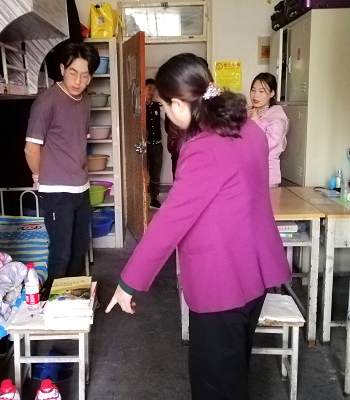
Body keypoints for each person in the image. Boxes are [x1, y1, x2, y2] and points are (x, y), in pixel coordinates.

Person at [105, 53, 290, 399]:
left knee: (215, 384)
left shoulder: (204, 147)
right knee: (234, 372)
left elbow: (171, 220)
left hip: (223, 282)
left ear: (178, 104)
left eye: (164, 106)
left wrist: (129, 282)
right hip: (255, 273)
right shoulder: (248, 128)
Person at [24, 42, 100, 293]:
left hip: (81, 187)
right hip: (56, 190)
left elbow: (78, 140)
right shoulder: (47, 102)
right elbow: (31, 148)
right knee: (61, 253)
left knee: (79, 248)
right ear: (62, 69)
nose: (78, 81)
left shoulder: (86, 100)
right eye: (72, 72)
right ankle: (50, 304)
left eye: (85, 75)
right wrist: (39, 176)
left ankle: (72, 301)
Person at [248, 72, 289, 187]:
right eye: (253, 90)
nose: (255, 95)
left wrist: (255, 121)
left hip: (267, 177)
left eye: (261, 91)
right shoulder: (249, 113)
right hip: (249, 175)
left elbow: (264, 145)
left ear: (272, 93)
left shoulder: (277, 119)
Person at [145, 78, 163, 209]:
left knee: (156, 172)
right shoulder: (140, 107)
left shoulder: (158, 106)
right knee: (142, 171)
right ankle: (142, 198)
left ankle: (154, 198)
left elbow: (167, 117)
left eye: (153, 89)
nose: (151, 91)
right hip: (144, 145)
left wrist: (159, 99)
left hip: (157, 144)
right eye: (149, 88)